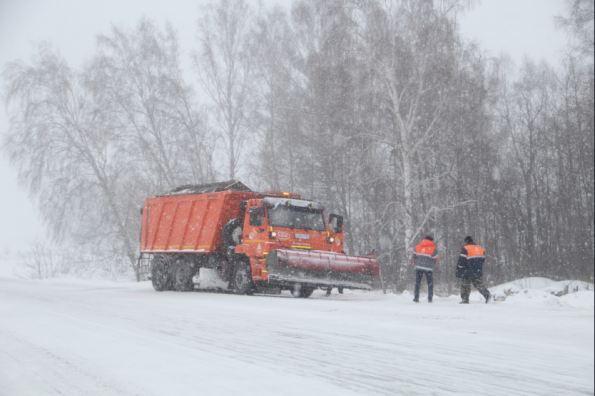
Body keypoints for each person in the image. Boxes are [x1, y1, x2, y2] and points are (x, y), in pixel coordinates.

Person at [456, 236, 491, 304]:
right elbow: (483, 259)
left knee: (465, 285)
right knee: (479, 284)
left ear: (466, 242)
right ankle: (487, 295)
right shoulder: (480, 248)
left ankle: (465, 299)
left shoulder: (465, 248)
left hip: (467, 269)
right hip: (478, 269)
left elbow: (461, 259)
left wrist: (459, 267)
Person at [411, 236, 439, 303]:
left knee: (417, 283)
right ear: (431, 240)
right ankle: (430, 298)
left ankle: (416, 297)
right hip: (429, 268)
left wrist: (416, 264)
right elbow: (436, 259)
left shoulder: (417, 247)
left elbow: (413, 257)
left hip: (419, 267)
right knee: (430, 283)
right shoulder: (433, 248)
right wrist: (432, 265)